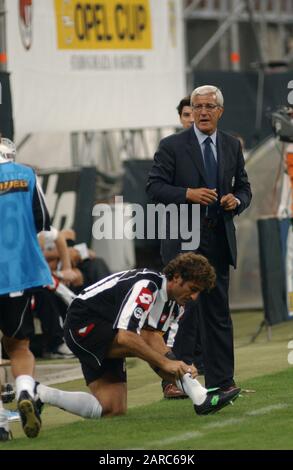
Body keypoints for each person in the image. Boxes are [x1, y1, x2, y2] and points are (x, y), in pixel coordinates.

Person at [35, 253, 240, 422]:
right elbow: (127, 338)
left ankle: (41, 394)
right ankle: (201, 397)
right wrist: (167, 364)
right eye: (193, 289)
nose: (194, 297)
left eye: (199, 292)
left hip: (106, 330)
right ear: (177, 277)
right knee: (148, 340)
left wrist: (180, 367)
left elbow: (162, 347)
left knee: (112, 407)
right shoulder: (148, 286)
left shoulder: (176, 306)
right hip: (82, 325)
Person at [146, 85, 252, 392]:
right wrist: (187, 194)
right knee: (178, 313)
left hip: (218, 240)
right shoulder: (172, 146)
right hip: (182, 241)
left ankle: (223, 381)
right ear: (191, 111)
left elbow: (244, 187)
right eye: (198, 106)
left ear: (220, 111)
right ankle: (173, 380)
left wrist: (238, 201)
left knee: (218, 314)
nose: (203, 112)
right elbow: (154, 188)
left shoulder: (232, 145)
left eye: (209, 107)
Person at [0, 137, 52, 439]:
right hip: (20, 273)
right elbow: (42, 219)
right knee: (19, 346)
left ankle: (2, 426)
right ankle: (23, 390)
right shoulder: (26, 173)